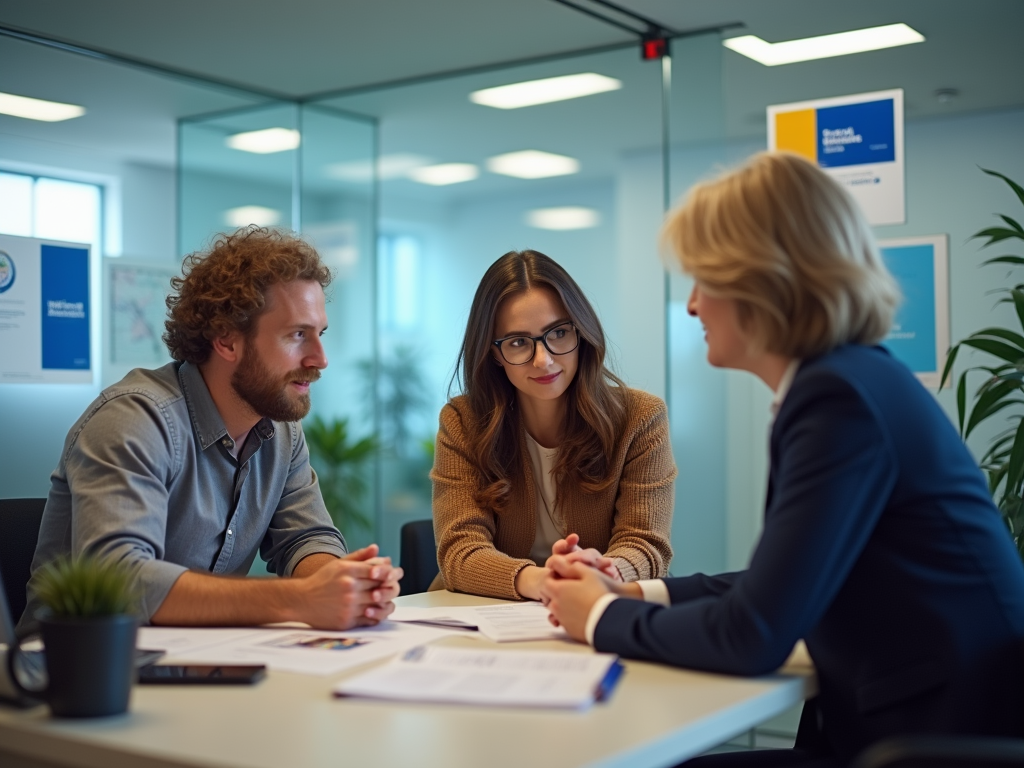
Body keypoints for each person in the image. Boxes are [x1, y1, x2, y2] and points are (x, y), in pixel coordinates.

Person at [541, 152, 1024, 766]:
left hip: (931, 739)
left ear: (763, 281)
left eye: (703, 281)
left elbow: (752, 636)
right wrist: (639, 595)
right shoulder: (854, 380)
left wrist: (601, 616)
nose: (691, 306)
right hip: (924, 718)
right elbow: (784, 581)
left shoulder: (838, 398)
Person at [20, 227, 401, 631]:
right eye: (297, 335)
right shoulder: (135, 421)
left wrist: (341, 583)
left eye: (320, 334)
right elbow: (121, 582)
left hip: (204, 664)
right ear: (226, 340)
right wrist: (300, 600)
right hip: (74, 678)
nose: (320, 358)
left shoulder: (279, 430)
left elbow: (306, 539)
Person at [431, 249, 675, 601]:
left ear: (582, 331)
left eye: (558, 333)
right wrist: (542, 582)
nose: (543, 360)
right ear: (495, 353)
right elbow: (460, 552)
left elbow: (646, 544)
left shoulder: (640, 418)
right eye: (518, 342)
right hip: (486, 614)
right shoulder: (463, 421)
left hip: (600, 606)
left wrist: (605, 572)